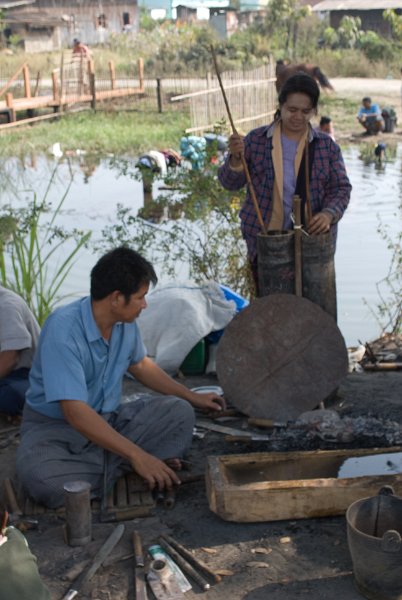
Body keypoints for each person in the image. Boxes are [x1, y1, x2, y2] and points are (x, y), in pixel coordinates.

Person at [16, 247, 225, 509]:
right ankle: (133, 463)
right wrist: (136, 454)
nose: (145, 304)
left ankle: (114, 465)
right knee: (42, 478)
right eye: (141, 297)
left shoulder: (125, 323)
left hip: (109, 420)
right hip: (56, 430)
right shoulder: (63, 329)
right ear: (116, 298)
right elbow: (75, 412)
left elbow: (141, 365)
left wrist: (193, 397)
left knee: (179, 412)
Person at [218, 72, 351, 290]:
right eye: (292, 110)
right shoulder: (256, 141)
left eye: (305, 111)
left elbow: (341, 188)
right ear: (280, 106)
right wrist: (234, 158)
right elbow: (229, 183)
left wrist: (329, 213)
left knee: (313, 311)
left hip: (313, 244)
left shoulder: (326, 147)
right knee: (271, 309)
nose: (298, 116)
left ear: (315, 111)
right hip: (266, 241)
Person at [0, 285, 40, 417]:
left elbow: (10, 358)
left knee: (7, 396)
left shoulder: (8, 306)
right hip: (7, 374)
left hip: (27, 374)